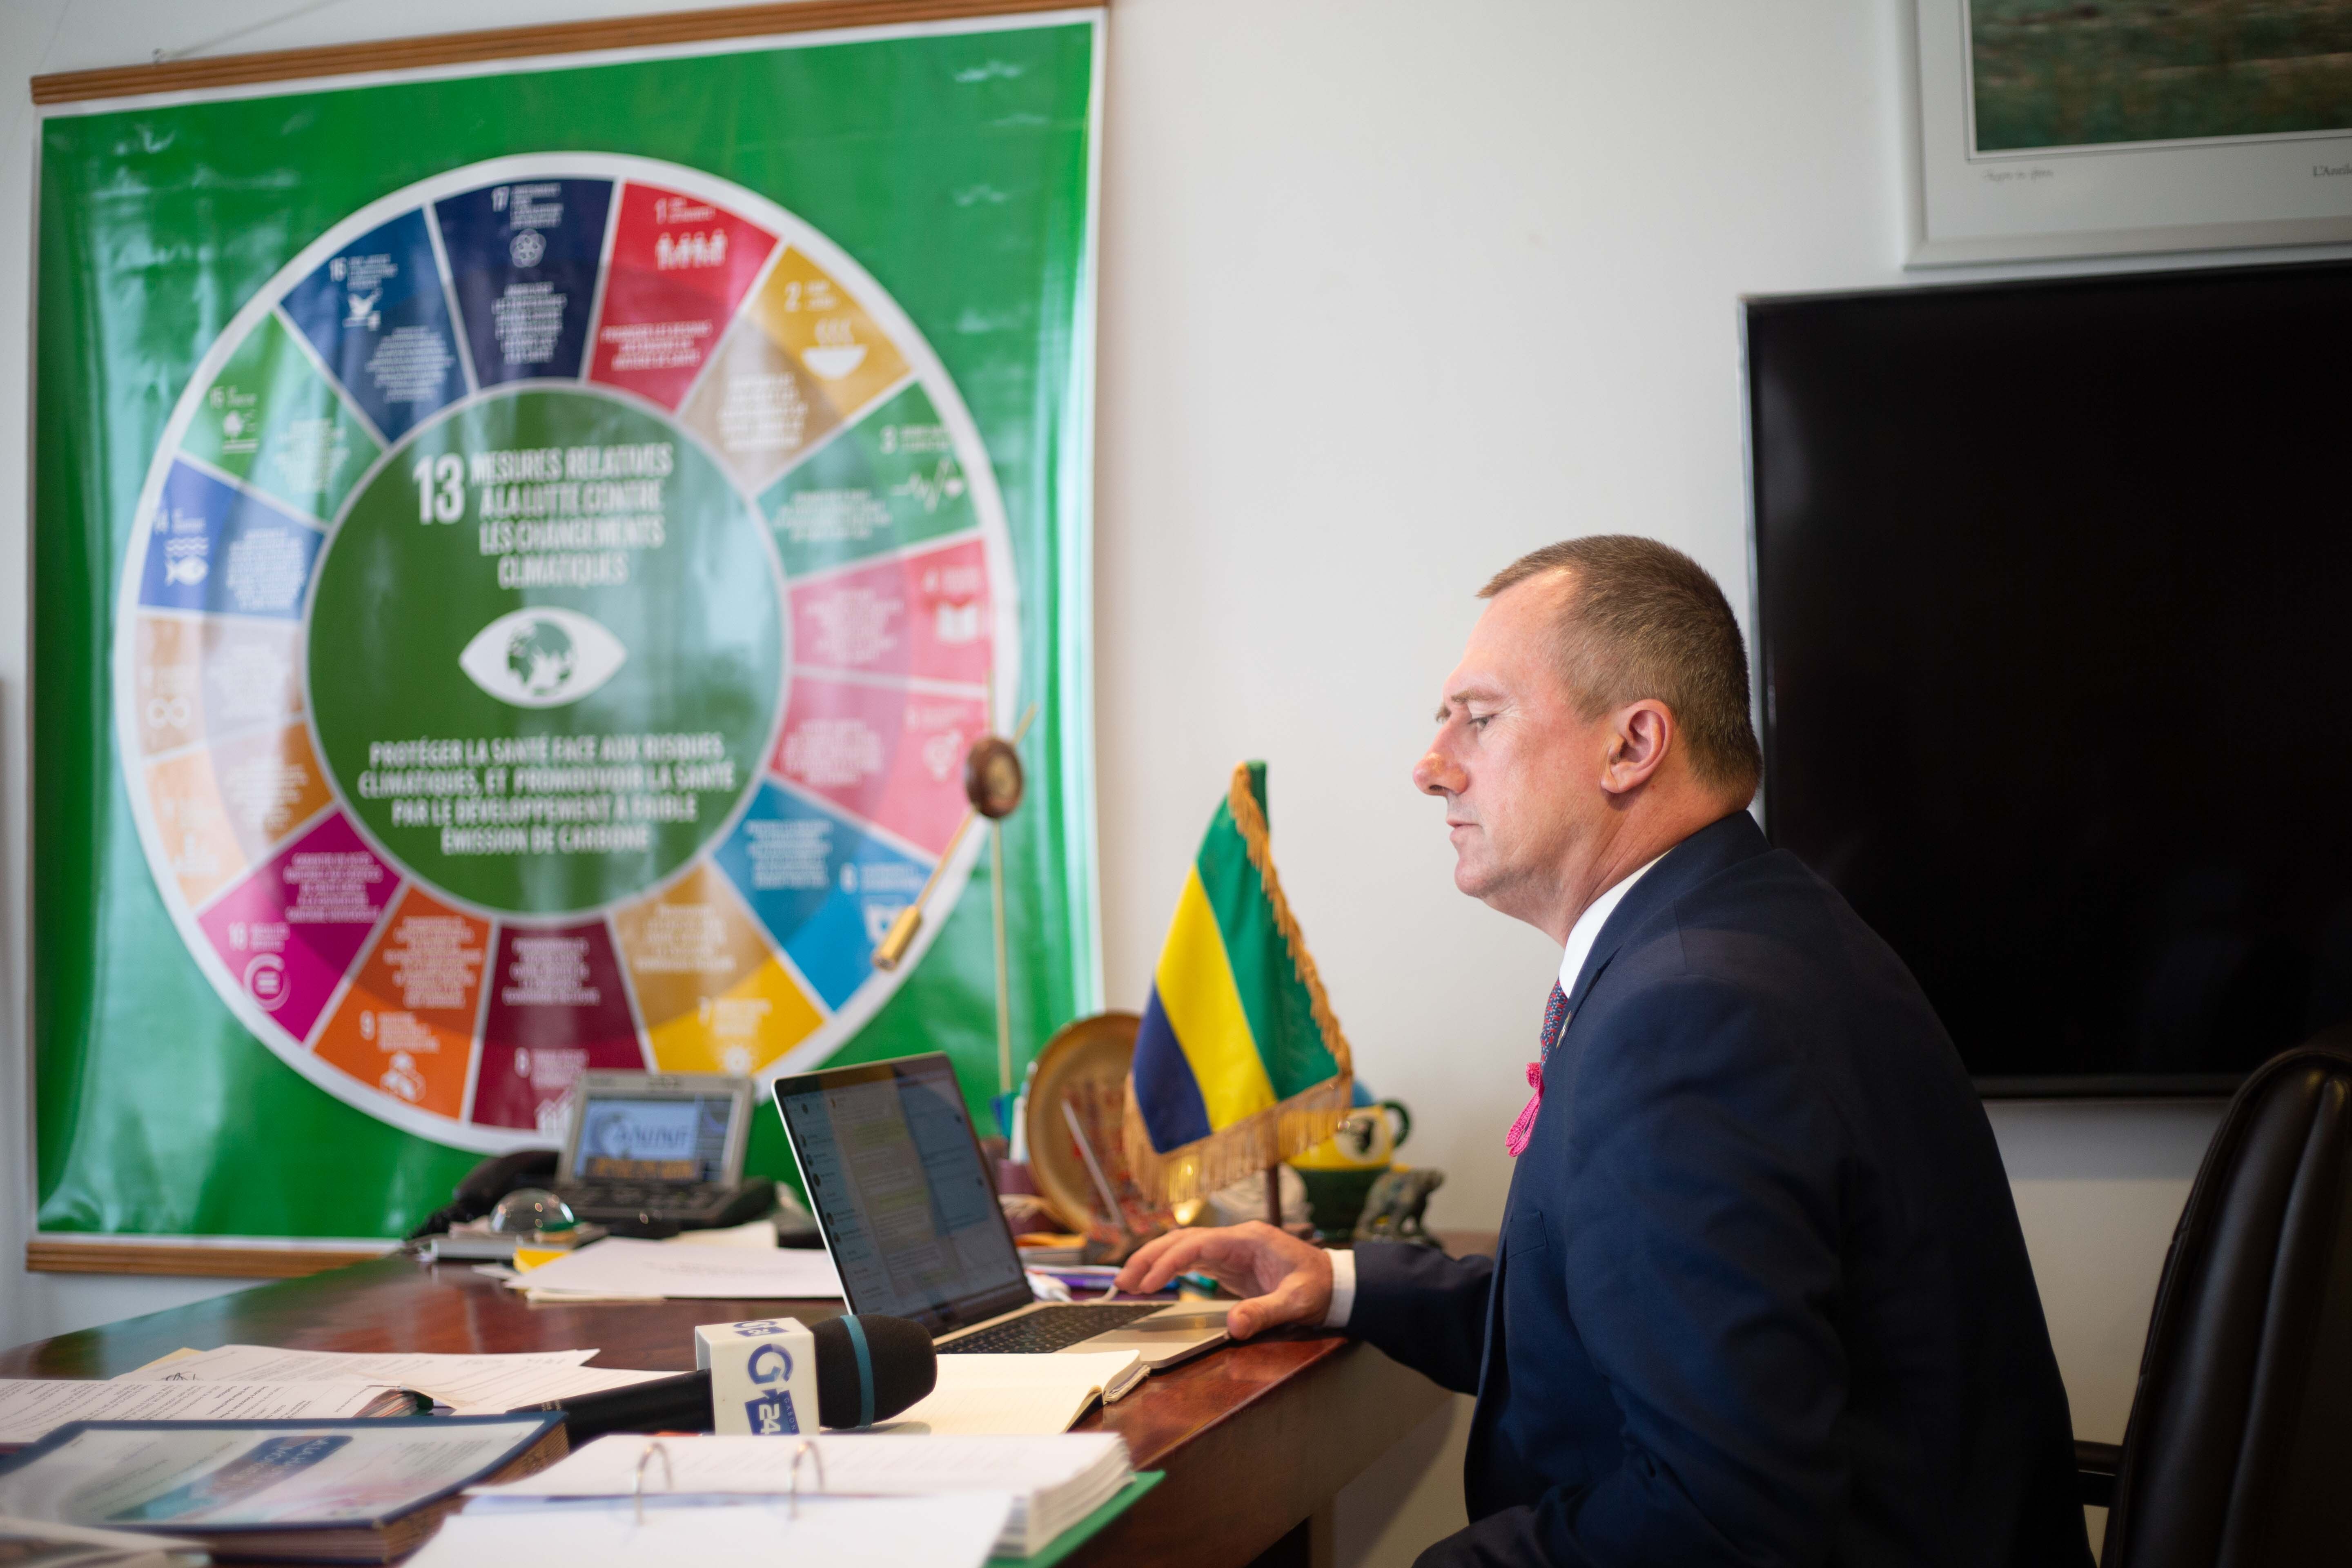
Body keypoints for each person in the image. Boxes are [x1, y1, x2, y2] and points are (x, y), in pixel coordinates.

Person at [1117, 537, 2091, 1566]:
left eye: (1479, 718)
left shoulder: (1691, 1013)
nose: (1431, 765)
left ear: (1631, 747)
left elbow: (1724, 1520)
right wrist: (1344, 1283)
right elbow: (1617, 1319)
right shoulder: (1747, 929)